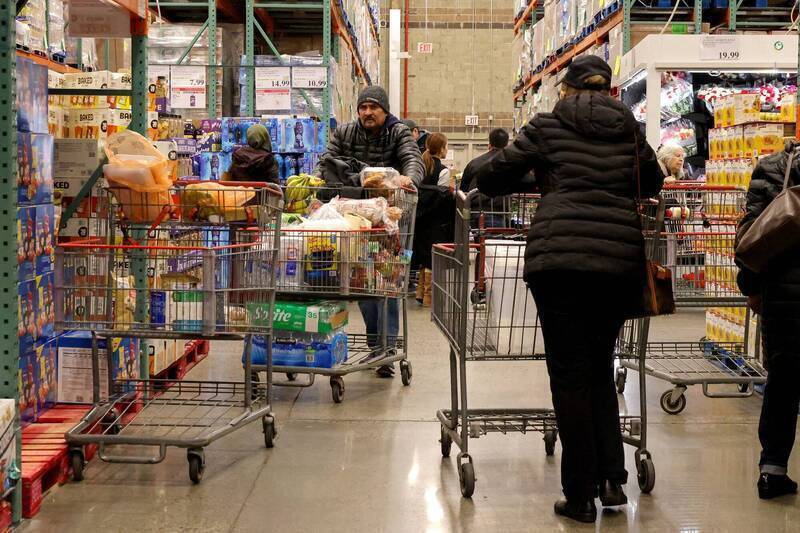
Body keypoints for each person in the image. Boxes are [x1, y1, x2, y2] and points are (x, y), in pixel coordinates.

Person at [472, 55, 664, 523]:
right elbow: (653, 181)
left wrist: (541, 176)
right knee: (599, 368)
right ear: (609, 90)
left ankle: (579, 495)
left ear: (567, 89)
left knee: (569, 375)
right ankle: (612, 480)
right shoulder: (629, 129)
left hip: (559, 261)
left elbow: (491, 177)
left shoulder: (547, 126)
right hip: (617, 262)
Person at [317, 86, 424, 378]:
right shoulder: (345, 133)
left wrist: (409, 179)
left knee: (388, 283)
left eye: (373, 107)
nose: (367, 112)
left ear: (385, 111)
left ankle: (386, 350)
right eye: (363, 107)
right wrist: (315, 184)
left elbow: (413, 159)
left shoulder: (398, 133)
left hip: (389, 221)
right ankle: (376, 344)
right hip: (356, 220)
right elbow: (326, 161)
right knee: (364, 283)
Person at [736, 140, 800, 500]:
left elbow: (751, 235)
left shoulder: (774, 166)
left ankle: (772, 471)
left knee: (783, 381)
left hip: (782, 294)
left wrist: (752, 288)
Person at [460, 128, 510, 227]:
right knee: (496, 237)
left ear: (489, 144)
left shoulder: (474, 163)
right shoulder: (510, 164)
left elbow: (463, 189)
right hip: (499, 212)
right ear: (506, 145)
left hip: (475, 212)